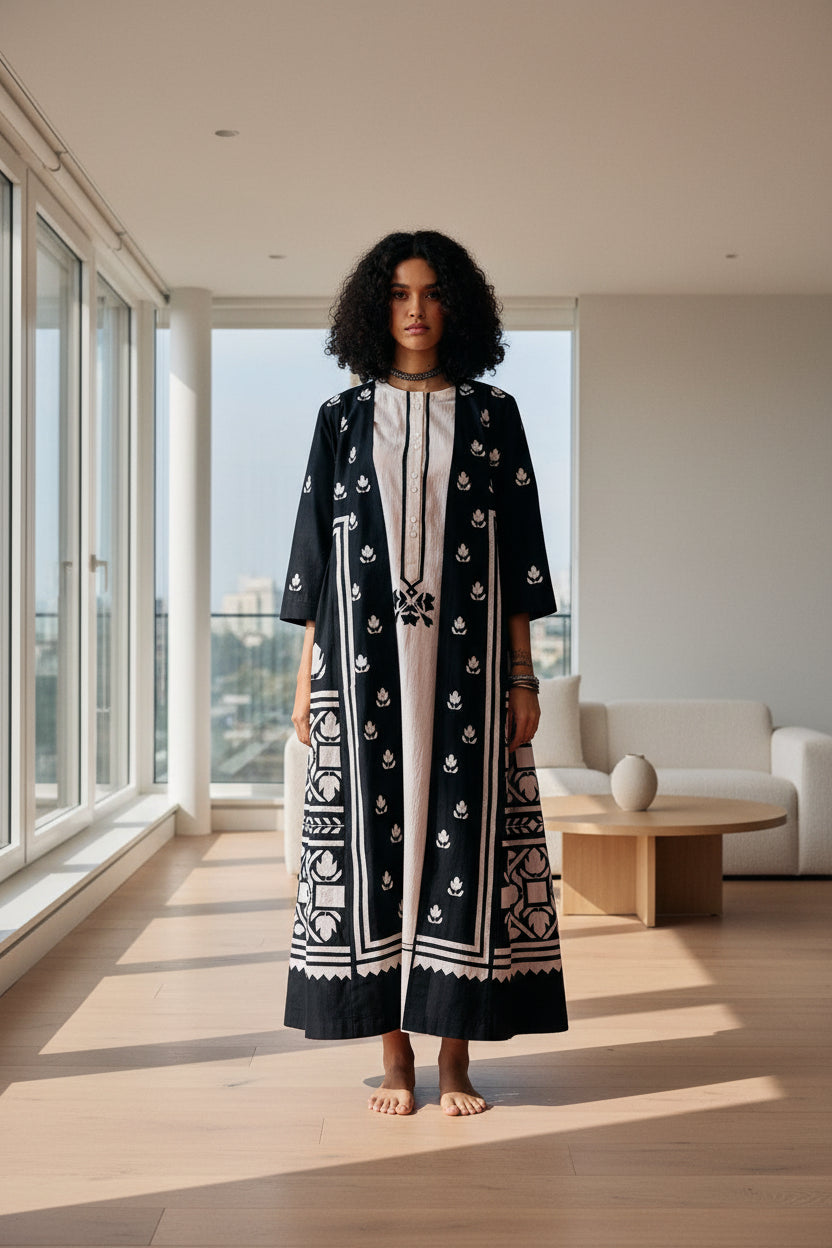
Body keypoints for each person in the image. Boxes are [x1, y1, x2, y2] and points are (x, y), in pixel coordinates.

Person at [280, 230, 568, 1116]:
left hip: (467, 673)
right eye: (400, 293)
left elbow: (520, 553)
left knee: (461, 846)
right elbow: (316, 558)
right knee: (374, 851)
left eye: (433, 292)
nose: (416, 309)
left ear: (457, 307)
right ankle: (395, 1057)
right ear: (377, 308)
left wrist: (523, 676)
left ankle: (456, 1058)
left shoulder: (493, 415)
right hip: (360, 669)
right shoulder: (341, 419)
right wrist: (306, 678)